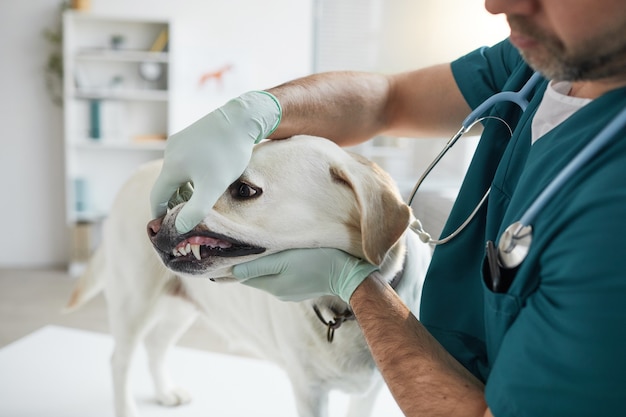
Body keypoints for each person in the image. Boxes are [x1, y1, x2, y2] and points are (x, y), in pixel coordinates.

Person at [150, 1, 626, 416]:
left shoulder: (612, 210)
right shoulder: (545, 59)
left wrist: (357, 284)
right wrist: (260, 110)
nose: (496, 4)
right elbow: (389, 100)